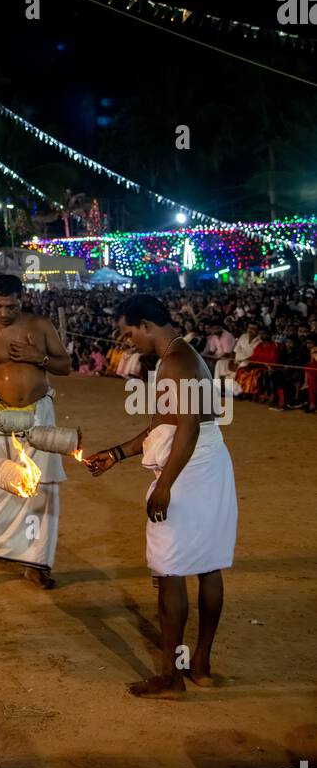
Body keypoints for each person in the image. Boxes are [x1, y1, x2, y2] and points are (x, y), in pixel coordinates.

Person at [86, 295, 237, 698]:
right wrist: (115, 454)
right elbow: (163, 427)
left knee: (170, 570)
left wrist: (166, 485)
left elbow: (184, 430)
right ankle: (200, 666)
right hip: (205, 464)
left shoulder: (178, 362)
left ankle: (172, 676)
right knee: (207, 566)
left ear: (147, 325)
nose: (128, 340)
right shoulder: (178, 356)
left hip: (190, 470)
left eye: (129, 332)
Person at [0, 273, 72, 590]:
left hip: (39, 414)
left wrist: (36, 358)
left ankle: (35, 565)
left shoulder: (39, 326)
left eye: (10, 306)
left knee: (43, 490)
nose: (3, 312)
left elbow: (65, 365)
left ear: (21, 301)